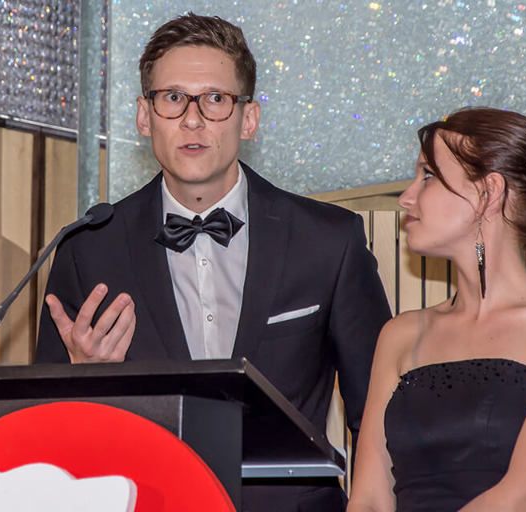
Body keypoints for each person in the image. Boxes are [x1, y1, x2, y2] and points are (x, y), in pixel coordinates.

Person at [35, 13, 392, 512]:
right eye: (173, 97)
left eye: (216, 99)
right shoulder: (88, 248)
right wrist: (86, 382)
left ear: (249, 119)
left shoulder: (329, 240)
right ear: (144, 116)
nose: (193, 119)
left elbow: (379, 415)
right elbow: (46, 434)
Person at [347, 107, 526, 512]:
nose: (407, 197)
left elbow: (522, 500)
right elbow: (368, 500)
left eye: (428, 176)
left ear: (489, 191)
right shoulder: (400, 334)